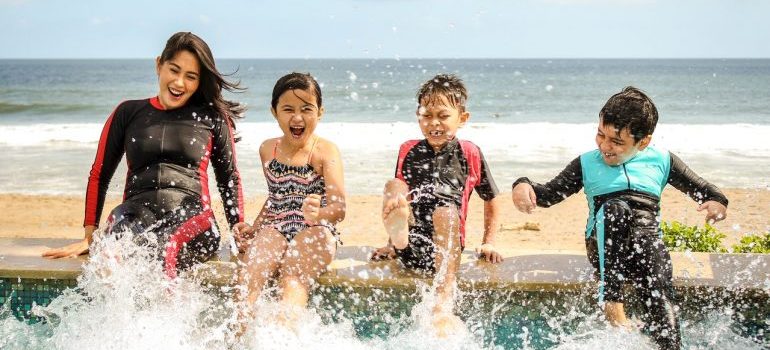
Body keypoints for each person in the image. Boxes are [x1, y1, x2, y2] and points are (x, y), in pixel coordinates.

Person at [511, 86, 728, 349]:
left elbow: (706, 190)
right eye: (600, 134)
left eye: (617, 141)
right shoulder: (587, 163)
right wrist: (523, 185)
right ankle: (612, 303)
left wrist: (717, 203)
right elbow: (549, 194)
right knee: (617, 209)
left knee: (660, 287)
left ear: (643, 141)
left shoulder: (662, 160)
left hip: (645, 247)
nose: (605, 145)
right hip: (603, 245)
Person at [43, 32, 245, 279]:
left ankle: (167, 318)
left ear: (199, 82)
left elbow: (229, 179)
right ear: (159, 64)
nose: (179, 82)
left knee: (164, 251)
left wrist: (238, 232)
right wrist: (90, 235)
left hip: (193, 217)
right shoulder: (128, 112)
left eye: (190, 77)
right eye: (174, 70)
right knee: (110, 253)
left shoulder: (211, 118)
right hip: (134, 213)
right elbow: (100, 174)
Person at [371, 74, 502, 336]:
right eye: (427, 115)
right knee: (393, 187)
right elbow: (400, 201)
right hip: (411, 245)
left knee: (444, 211)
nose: (434, 123)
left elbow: (492, 198)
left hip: (447, 252)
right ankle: (397, 239)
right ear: (418, 116)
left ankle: (443, 299)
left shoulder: (469, 152)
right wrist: (390, 244)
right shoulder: (408, 149)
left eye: (443, 116)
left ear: (462, 118)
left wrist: (489, 241)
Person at [234, 72, 345, 322]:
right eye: (288, 109)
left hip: (317, 230)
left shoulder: (325, 151)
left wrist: (320, 213)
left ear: (320, 112)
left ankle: (287, 336)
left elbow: (339, 208)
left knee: (292, 277)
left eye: (307, 109)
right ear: (274, 112)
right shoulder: (267, 149)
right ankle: (238, 338)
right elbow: (276, 196)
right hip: (277, 227)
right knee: (249, 277)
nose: (297, 117)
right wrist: (255, 227)